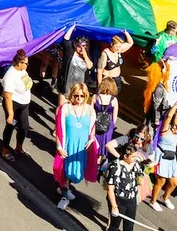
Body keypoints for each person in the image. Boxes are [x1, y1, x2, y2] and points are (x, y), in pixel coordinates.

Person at [55, 82, 98, 211]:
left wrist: (91, 139)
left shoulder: (90, 110)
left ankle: (65, 187)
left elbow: (92, 128)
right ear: (72, 95)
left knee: (77, 173)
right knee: (65, 171)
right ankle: (64, 196)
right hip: (68, 145)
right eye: (76, 95)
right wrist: (59, 147)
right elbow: (59, 129)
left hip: (82, 148)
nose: (79, 98)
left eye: (82, 95)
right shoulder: (65, 108)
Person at [149, 95, 177, 212]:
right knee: (161, 181)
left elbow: (174, 142)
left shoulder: (174, 129)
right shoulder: (165, 128)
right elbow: (169, 115)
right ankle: (153, 201)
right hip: (162, 157)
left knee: (174, 182)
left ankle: (165, 197)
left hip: (172, 158)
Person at [1, 49, 32, 162]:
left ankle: (19, 148)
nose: (28, 65)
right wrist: (10, 113)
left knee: (24, 127)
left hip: (24, 104)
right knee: (10, 126)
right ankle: (5, 150)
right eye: (26, 63)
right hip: (14, 104)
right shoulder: (10, 75)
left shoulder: (22, 71)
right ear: (19, 63)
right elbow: (8, 96)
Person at [106, 144, 144, 231]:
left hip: (131, 200)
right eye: (133, 156)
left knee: (129, 227)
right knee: (114, 227)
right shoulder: (115, 167)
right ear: (125, 156)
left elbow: (140, 175)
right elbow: (110, 189)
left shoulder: (135, 164)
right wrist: (114, 206)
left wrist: (140, 179)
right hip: (119, 200)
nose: (135, 158)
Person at [56, 25, 93, 107]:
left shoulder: (86, 56)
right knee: (62, 107)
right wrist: (72, 27)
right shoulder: (70, 52)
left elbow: (90, 66)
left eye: (84, 47)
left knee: (75, 108)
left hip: (78, 88)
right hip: (66, 85)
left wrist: (85, 55)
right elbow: (65, 40)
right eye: (79, 47)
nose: (81, 49)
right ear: (76, 45)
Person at [92, 77, 119, 160]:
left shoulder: (95, 97)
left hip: (96, 123)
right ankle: (101, 160)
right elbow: (115, 117)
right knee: (105, 144)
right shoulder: (114, 100)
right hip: (108, 125)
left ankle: (94, 159)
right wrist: (111, 125)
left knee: (95, 142)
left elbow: (91, 112)